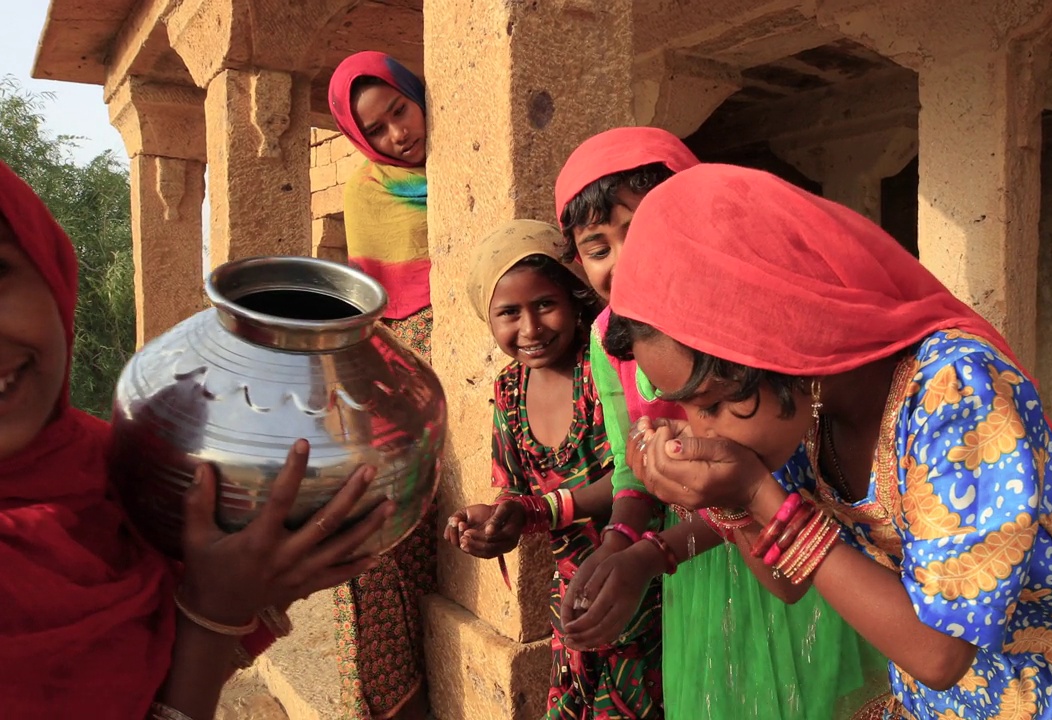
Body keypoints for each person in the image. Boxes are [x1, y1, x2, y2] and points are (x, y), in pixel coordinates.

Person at [604, 163, 1052, 719]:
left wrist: (758, 494)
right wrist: (732, 501)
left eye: (711, 403)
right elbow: (787, 584)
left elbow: (942, 654)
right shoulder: (801, 417)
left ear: (776, 344)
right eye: (683, 405)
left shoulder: (955, 391)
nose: (701, 427)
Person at [0, 159, 392, 720]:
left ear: (48, 267)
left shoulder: (96, 459)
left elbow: (152, 670)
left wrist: (250, 601)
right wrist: (213, 613)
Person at [554, 128, 887, 718]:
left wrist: (655, 552)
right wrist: (617, 541)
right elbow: (632, 465)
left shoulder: (738, 312)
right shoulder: (611, 343)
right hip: (704, 564)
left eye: (642, 232)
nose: (627, 262)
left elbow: (771, 461)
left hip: (782, 529)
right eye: (599, 248)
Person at [444, 220, 662, 718]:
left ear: (575, 296)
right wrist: (494, 523)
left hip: (642, 583)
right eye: (509, 313)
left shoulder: (605, 363)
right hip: (573, 598)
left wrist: (538, 510)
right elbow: (513, 490)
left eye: (544, 304)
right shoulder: (507, 389)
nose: (531, 329)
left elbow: (636, 473)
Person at [327, 50, 434, 719]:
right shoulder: (366, 194)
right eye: (378, 129)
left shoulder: (471, 162)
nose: (398, 133)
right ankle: (391, 701)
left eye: (399, 108)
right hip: (400, 382)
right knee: (370, 530)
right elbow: (370, 312)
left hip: (480, 363)